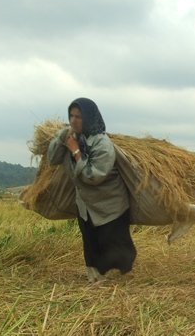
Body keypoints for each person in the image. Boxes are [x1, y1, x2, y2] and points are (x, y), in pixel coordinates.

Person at [47, 97, 136, 283]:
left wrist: (75, 151)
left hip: (110, 205)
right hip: (85, 205)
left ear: (89, 117)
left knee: (120, 254)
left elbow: (93, 176)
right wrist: (61, 137)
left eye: (78, 116)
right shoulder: (72, 138)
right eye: (71, 116)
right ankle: (95, 279)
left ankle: (116, 277)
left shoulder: (102, 144)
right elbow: (53, 159)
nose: (73, 120)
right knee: (90, 243)